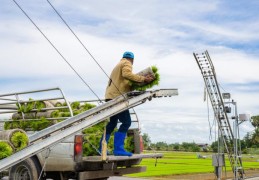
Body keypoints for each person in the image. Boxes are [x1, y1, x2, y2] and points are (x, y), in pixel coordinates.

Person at [99, 51, 154, 156]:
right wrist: (143, 79)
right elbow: (127, 74)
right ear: (132, 60)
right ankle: (118, 149)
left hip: (110, 96)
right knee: (126, 122)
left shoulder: (118, 65)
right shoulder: (127, 63)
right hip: (117, 98)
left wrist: (133, 86)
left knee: (112, 123)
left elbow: (122, 81)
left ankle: (101, 148)